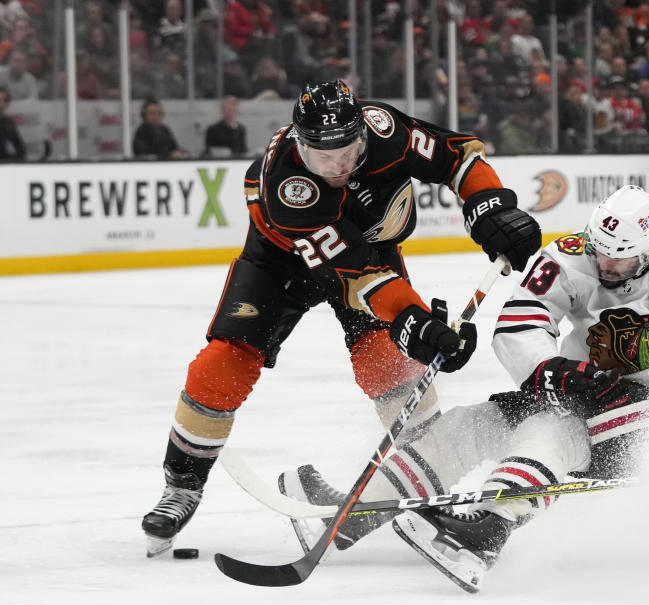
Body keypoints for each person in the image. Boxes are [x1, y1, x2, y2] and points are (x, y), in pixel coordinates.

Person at [281, 186, 649, 592]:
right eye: (600, 253)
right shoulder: (573, 254)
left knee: (549, 427)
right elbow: (521, 319)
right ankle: (354, 510)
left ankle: (488, 529)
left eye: (620, 262)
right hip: (583, 388)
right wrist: (552, 367)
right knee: (471, 425)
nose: (605, 267)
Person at [140, 80, 541, 557]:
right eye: (321, 157)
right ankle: (182, 485)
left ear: (362, 134)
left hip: (367, 253)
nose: (337, 167)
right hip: (280, 264)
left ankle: (421, 476)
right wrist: (417, 322)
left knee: (390, 364)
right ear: (298, 143)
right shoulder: (289, 188)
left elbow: (460, 157)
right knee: (222, 364)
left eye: (347, 152)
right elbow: (362, 278)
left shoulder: (384, 128)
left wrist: (489, 206)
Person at [0, 87, 25, 161]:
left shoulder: (8, 123)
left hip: (9, 166)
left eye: (3, 100)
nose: (0, 104)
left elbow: (20, 148)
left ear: (7, 103)